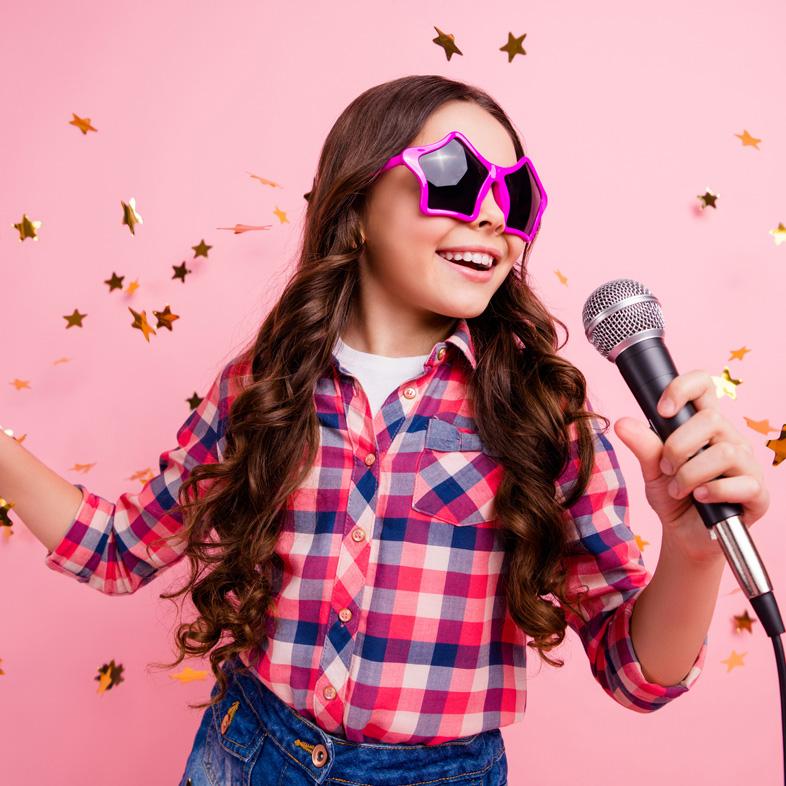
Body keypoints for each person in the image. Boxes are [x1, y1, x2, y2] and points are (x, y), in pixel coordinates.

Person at [4, 74, 770, 785]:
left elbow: (637, 676)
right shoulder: (262, 387)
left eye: (518, 195)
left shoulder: (540, 414)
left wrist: (695, 551)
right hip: (248, 753)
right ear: (358, 206)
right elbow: (115, 552)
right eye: (456, 178)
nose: (493, 215)